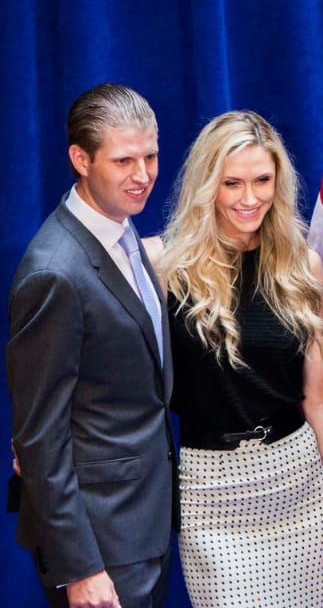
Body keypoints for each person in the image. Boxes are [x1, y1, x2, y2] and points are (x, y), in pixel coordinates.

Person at [152, 110, 323, 606]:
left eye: (262, 180)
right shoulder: (163, 267)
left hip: (296, 481)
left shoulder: (301, 266)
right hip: (209, 488)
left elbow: (322, 395)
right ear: (208, 186)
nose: (250, 199)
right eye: (233, 183)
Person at [8, 83, 174, 607]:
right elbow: (40, 437)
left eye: (150, 155)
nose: (143, 174)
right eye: (124, 160)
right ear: (81, 158)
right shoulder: (55, 272)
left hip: (139, 523)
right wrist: (80, 567)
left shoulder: (122, 235)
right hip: (100, 546)